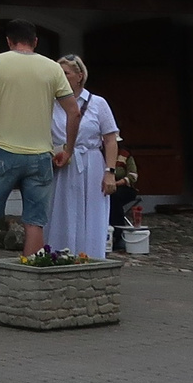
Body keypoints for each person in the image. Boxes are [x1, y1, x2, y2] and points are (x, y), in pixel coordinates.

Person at [0, 22, 82, 313]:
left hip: (3, 151)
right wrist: (67, 148)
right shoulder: (52, 69)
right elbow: (73, 111)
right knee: (34, 221)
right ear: (35, 41)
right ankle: (27, 289)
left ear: (8, 40)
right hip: (41, 154)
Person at [45, 55, 122, 257]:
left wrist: (110, 172)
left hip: (91, 163)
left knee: (92, 212)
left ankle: (91, 257)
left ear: (79, 76)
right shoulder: (50, 104)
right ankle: (58, 256)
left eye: (65, 74)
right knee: (60, 211)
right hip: (61, 163)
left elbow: (110, 139)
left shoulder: (98, 103)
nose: (60, 77)